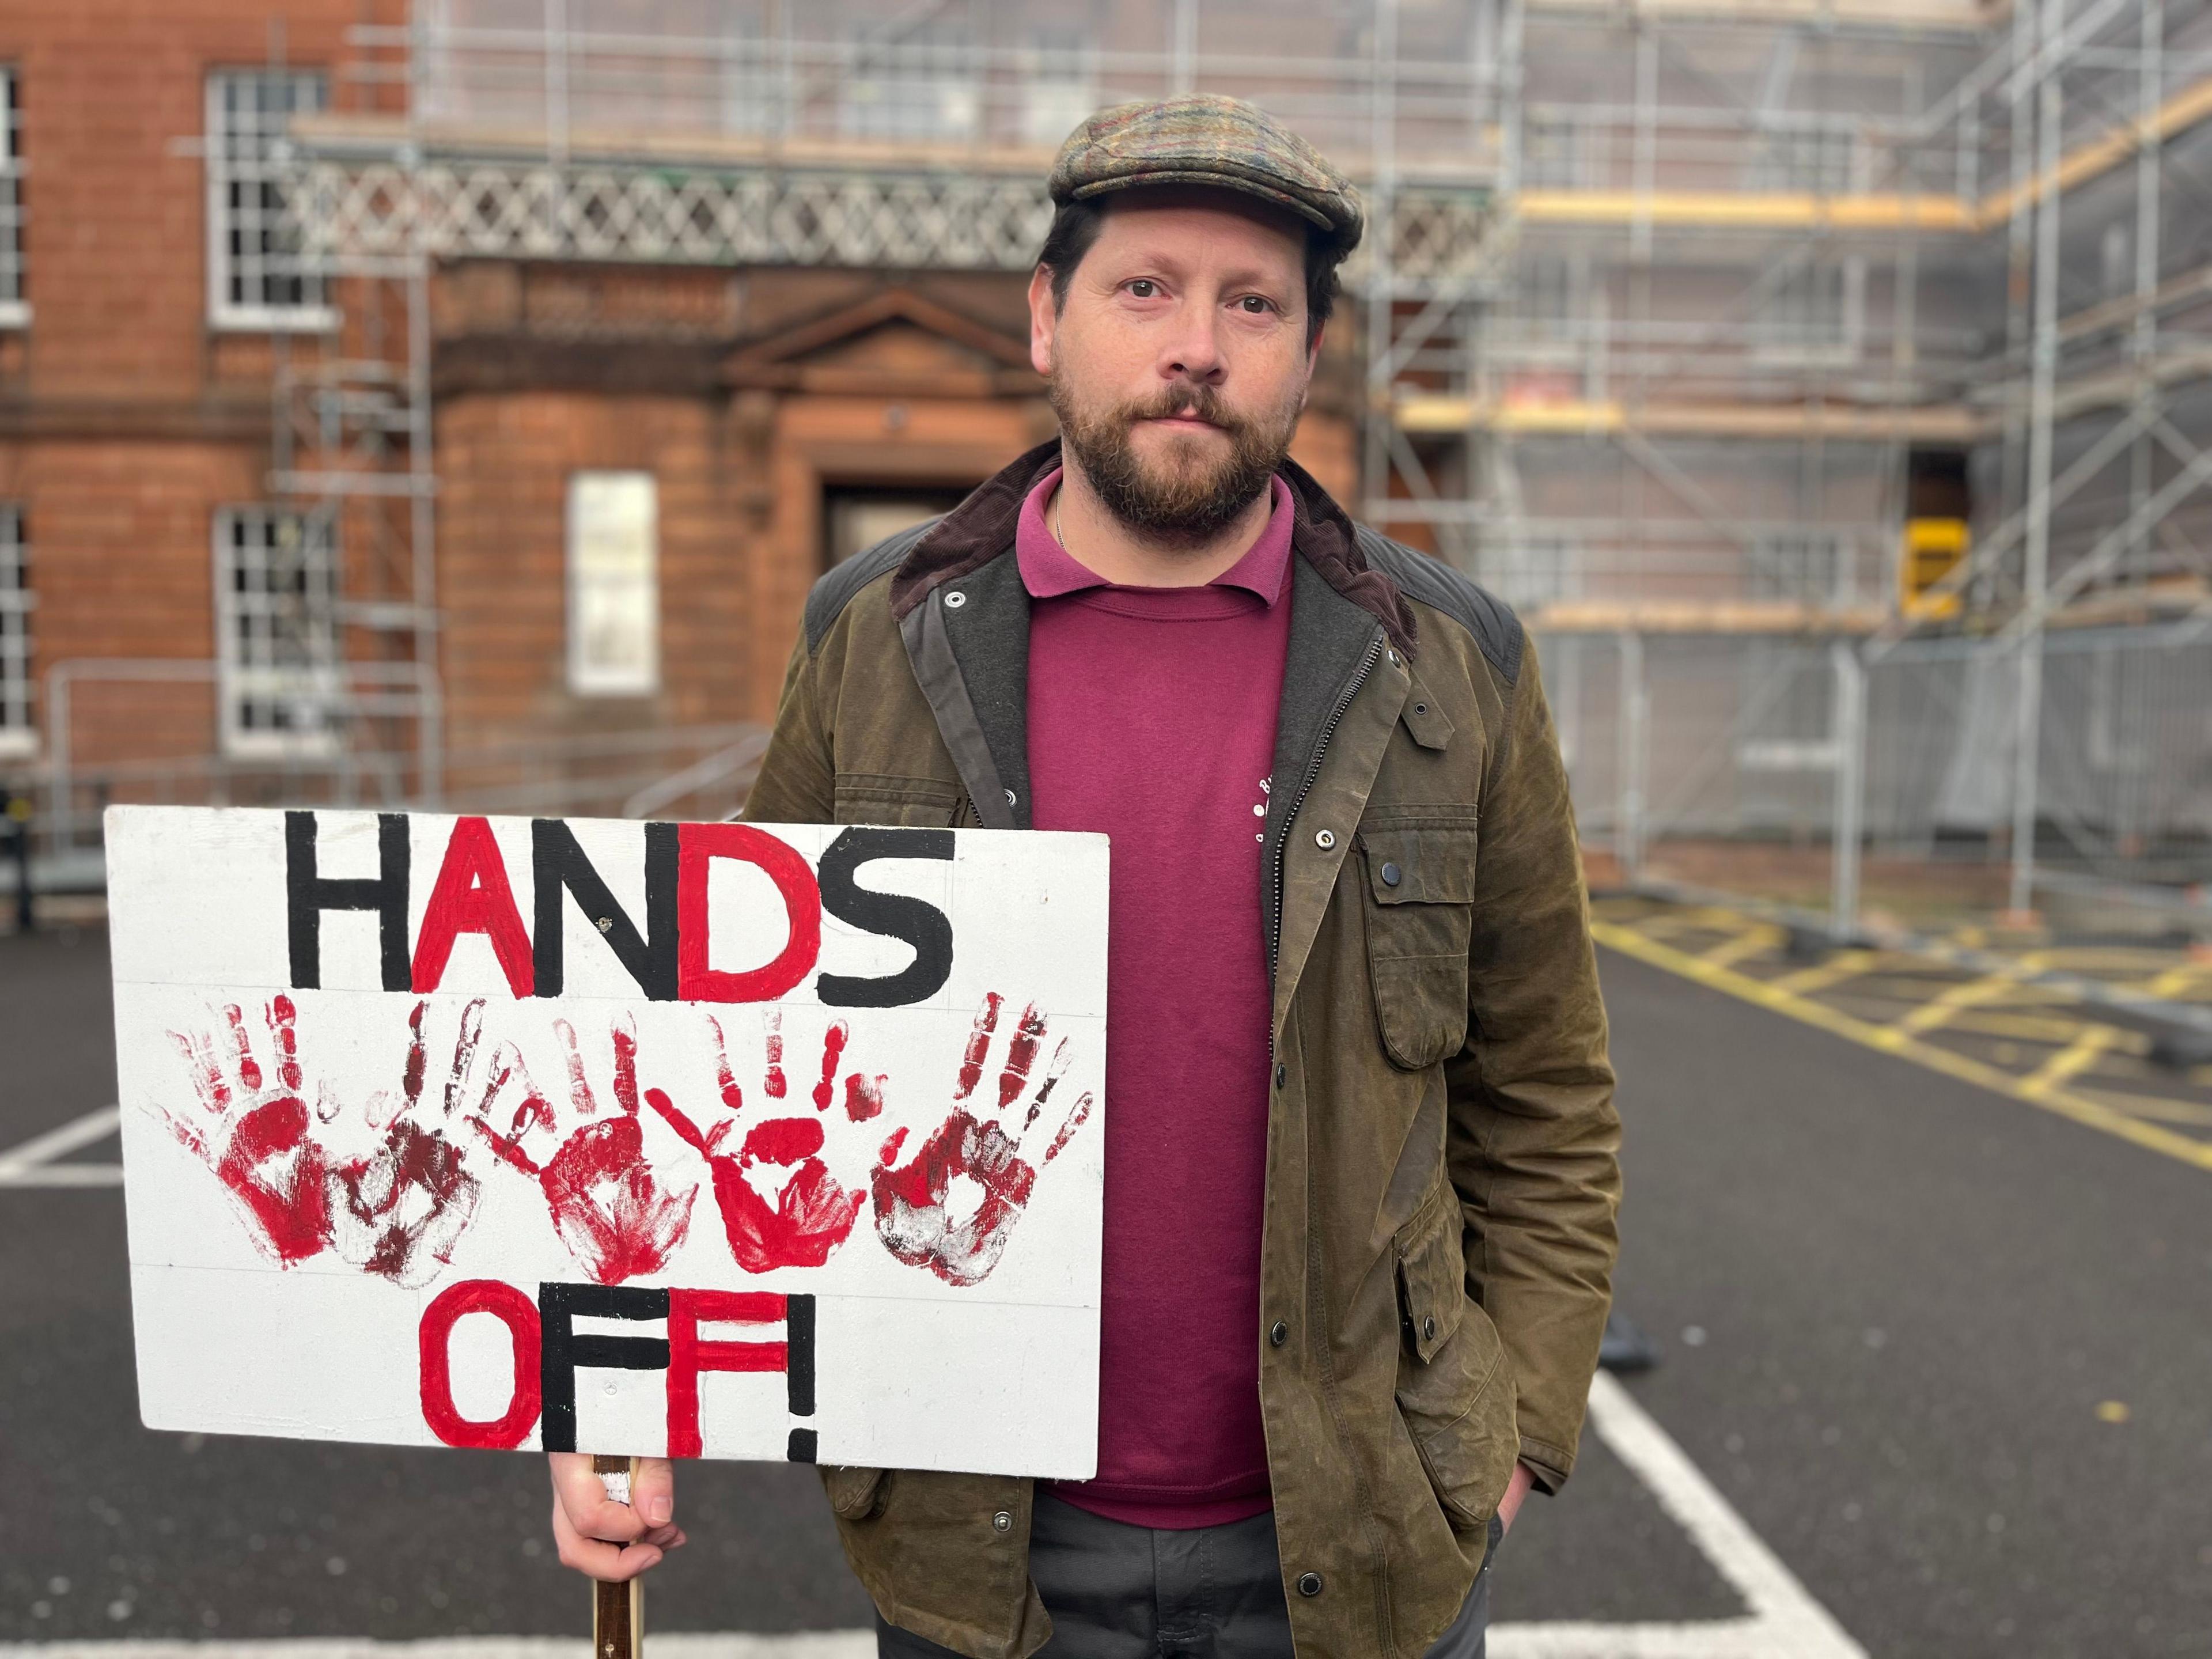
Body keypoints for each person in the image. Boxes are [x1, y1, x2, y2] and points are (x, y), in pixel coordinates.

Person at [543, 93, 1621, 1659]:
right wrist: (615, 1402)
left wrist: (1510, 1439)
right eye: (1146, 289)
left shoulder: (1454, 662)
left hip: (1365, 1539)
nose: (1199, 343)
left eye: (1254, 303)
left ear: (1310, 354)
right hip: (982, 1543)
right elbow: (723, 1050)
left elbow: (1548, 1096)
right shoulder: (880, 633)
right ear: (1049, 319)